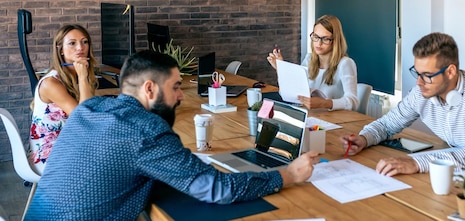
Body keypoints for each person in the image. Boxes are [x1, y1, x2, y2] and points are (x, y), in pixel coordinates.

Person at [24, 50, 319, 220]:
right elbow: (216, 189)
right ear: (149, 89)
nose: (180, 96)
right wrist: (288, 176)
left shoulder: (91, 108)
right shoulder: (146, 130)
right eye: (176, 86)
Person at [340, 32, 465, 176]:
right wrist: (364, 138)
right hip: (459, 172)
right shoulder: (423, 92)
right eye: (417, 73)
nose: (419, 82)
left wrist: (416, 162)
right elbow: (387, 124)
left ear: (450, 71)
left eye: (427, 75)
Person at [28, 24, 98, 172]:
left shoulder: (75, 76)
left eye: (85, 42)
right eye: (72, 43)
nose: (80, 48)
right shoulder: (51, 83)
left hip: (70, 144)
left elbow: (91, 110)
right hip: (49, 155)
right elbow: (84, 118)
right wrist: (83, 77)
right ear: (60, 49)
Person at [267, 15, 358, 111]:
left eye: (325, 39)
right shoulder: (309, 59)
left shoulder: (346, 63)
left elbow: (353, 101)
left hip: (335, 120)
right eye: (316, 37)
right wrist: (281, 69)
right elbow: (291, 94)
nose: (319, 43)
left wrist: (324, 103)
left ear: (335, 40)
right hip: (312, 116)